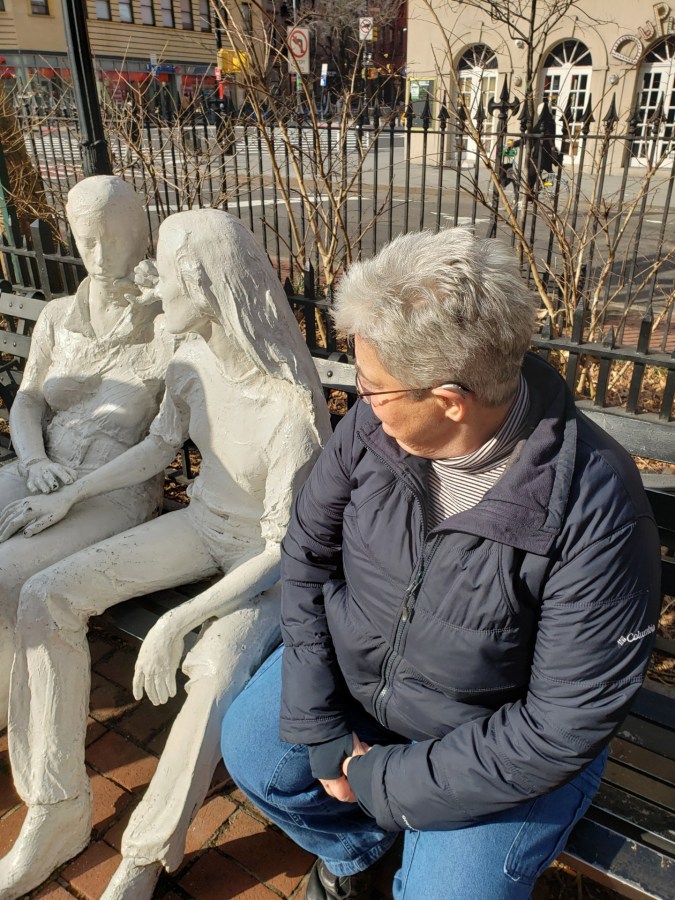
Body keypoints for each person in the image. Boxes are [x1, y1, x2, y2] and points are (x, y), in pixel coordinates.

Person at [221, 227, 661, 900]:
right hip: (363, 677)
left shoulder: (595, 505)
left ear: (450, 400)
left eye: (374, 388)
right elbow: (307, 554)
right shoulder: (377, 430)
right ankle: (354, 855)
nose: (360, 400)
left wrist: (381, 780)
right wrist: (316, 717)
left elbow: (558, 728)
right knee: (254, 754)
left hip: (494, 740)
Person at [0, 209, 331, 900]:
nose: (152, 287)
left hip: (267, 562)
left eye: (167, 276)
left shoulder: (290, 407)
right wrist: (73, 495)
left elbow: (282, 550)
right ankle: (56, 807)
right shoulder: (189, 360)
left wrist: (178, 621)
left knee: (212, 670)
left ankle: (144, 855)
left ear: (204, 288)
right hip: (201, 525)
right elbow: (157, 447)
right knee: (44, 595)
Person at [0, 175, 174, 729]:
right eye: (88, 239)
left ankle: (6, 704)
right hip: (43, 469)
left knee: (5, 574)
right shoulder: (58, 317)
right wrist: (34, 462)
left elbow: (164, 441)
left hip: (115, 490)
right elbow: (29, 400)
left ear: (141, 238)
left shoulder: (169, 326)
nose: (100, 256)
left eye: (115, 239)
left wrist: (167, 293)